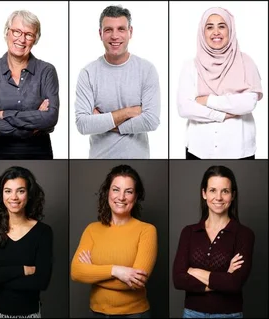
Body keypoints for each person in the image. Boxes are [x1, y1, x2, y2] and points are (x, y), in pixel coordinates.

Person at [74, 5, 161, 159]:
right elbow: (83, 124)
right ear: (100, 34)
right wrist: (129, 112)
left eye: (121, 29)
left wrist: (103, 122)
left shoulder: (146, 70)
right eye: (108, 30)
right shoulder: (88, 73)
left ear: (130, 32)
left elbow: (151, 121)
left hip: (139, 162)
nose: (115, 36)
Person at [71, 165, 157, 318]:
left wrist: (93, 272)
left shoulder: (147, 230)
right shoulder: (92, 229)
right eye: (116, 189)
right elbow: (76, 272)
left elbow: (137, 282)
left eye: (128, 191)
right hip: (96, 313)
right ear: (107, 193)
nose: (121, 197)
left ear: (136, 197)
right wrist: (117, 271)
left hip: (134, 315)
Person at [176, 7, 263, 159]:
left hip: (240, 150)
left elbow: (248, 103)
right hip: (199, 150)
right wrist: (223, 114)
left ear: (230, 30)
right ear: (203, 32)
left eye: (222, 26)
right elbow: (185, 108)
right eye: (209, 27)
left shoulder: (246, 62)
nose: (216, 32)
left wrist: (207, 100)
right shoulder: (191, 66)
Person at [173, 166, 254, 318]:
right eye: (212, 190)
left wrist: (195, 272)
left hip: (229, 315)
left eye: (225, 191)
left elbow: (234, 284)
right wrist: (223, 278)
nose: (219, 197)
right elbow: (178, 280)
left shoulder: (244, 234)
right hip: (192, 314)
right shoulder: (189, 232)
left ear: (233, 195)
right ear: (204, 193)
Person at [0, 166, 53, 318]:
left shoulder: (43, 232)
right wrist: (23, 270)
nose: (13, 197)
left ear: (29, 194)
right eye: (8, 191)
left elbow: (41, 282)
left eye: (20, 191)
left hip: (30, 314)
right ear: (1, 194)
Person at [0, 10, 60, 159]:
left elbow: (50, 118)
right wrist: (30, 128)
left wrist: (5, 114)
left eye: (29, 35)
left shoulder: (46, 71)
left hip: (38, 154)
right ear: (7, 33)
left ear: (35, 40)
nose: (21, 39)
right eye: (16, 32)